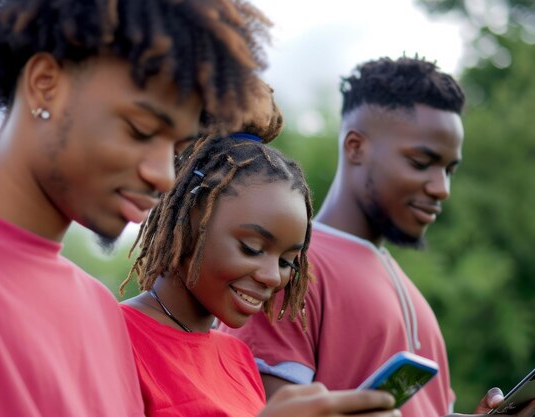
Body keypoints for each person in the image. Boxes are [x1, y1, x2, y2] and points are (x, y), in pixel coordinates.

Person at [0, 1, 275, 416]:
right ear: (46, 83)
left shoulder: (100, 312)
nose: (163, 175)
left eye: (176, 149)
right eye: (141, 130)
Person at [220, 56, 517, 417]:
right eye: (422, 163)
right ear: (356, 146)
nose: (442, 189)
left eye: (449, 170)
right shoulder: (285, 269)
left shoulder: (411, 294)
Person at [120, 85, 401, 417]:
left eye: (287, 262)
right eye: (252, 248)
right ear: (190, 220)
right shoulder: (114, 335)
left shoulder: (238, 358)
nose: (272, 277)